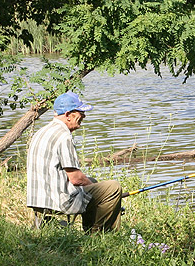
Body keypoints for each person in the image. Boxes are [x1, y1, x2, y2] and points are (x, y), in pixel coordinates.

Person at [26, 92, 123, 232]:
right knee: (113, 188)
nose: (84, 116)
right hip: (58, 201)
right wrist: (94, 194)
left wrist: (93, 186)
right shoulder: (63, 136)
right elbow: (76, 179)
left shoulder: (42, 131)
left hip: (38, 199)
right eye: (80, 112)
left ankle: (89, 228)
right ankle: (99, 234)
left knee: (93, 181)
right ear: (68, 115)